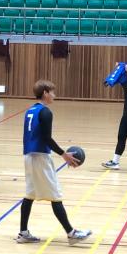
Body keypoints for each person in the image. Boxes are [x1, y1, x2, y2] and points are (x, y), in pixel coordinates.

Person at [16, 79, 92, 245]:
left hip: (28, 156)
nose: (54, 95)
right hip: (40, 157)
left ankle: (23, 233)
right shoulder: (45, 112)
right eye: (52, 92)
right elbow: (47, 138)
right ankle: (71, 233)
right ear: (45, 93)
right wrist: (64, 154)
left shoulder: (30, 110)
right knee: (55, 195)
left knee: (30, 194)